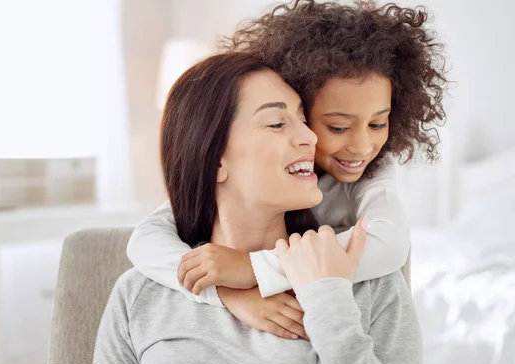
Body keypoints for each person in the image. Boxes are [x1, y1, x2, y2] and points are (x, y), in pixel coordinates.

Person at [88, 52, 422, 364]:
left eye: (304, 119)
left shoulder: (366, 280)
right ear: (215, 159)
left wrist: (327, 300)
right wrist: (223, 290)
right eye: (277, 123)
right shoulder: (141, 292)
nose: (310, 137)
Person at [126, 0, 447, 340]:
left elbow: (390, 243)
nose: (362, 146)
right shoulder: (261, 178)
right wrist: (229, 293)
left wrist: (252, 270)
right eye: (337, 127)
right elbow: (145, 242)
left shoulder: (372, 172)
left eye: (378, 123)